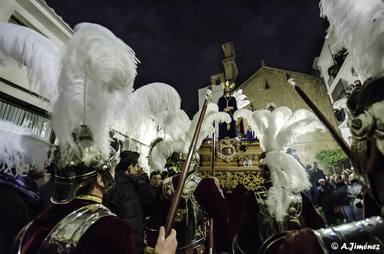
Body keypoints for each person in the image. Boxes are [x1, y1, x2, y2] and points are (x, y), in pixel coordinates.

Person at [145, 153, 230, 253]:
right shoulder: (205, 184)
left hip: (167, 246)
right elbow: (224, 214)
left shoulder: (165, 184)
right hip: (195, 246)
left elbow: (155, 220)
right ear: (196, 164)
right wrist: (218, 189)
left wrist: (151, 243)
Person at [105, 150, 157, 254]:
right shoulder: (133, 186)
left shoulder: (109, 186)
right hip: (133, 245)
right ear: (130, 167)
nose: (138, 170)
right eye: (137, 166)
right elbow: (153, 203)